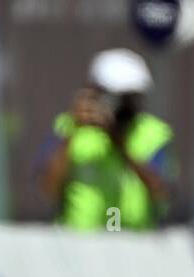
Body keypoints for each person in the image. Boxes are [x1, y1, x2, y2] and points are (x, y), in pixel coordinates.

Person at [37, 47, 175, 230]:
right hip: (77, 246)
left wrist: (119, 144)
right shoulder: (68, 128)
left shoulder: (154, 133)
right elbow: (48, 189)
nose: (125, 106)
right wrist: (71, 134)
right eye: (118, 98)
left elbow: (161, 193)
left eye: (130, 98)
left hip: (135, 247)